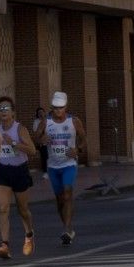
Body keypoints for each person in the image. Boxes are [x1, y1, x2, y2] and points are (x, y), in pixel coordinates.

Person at [0, 97, 37, 260]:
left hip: (19, 171)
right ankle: (4, 245)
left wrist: (14, 143)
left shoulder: (19, 129)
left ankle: (29, 234)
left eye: (6, 108)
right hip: (2, 171)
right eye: (0, 109)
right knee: (3, 208)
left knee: (23, 210)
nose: (3, 112)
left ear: (13, 112)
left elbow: (32, 150)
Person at [39, 90, 85, 246]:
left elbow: (83, 138)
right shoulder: (46, 122)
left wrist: (77, 150)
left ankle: (66, 228)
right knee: (59, 200)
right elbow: (36, 137)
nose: (58, 111)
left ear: (66, 107)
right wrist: (41, 139)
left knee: (67, 192)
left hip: (69, 164)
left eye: (61, 108)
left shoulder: (74, 121)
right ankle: (68, 226)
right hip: (53, 166)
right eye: (55, 108)